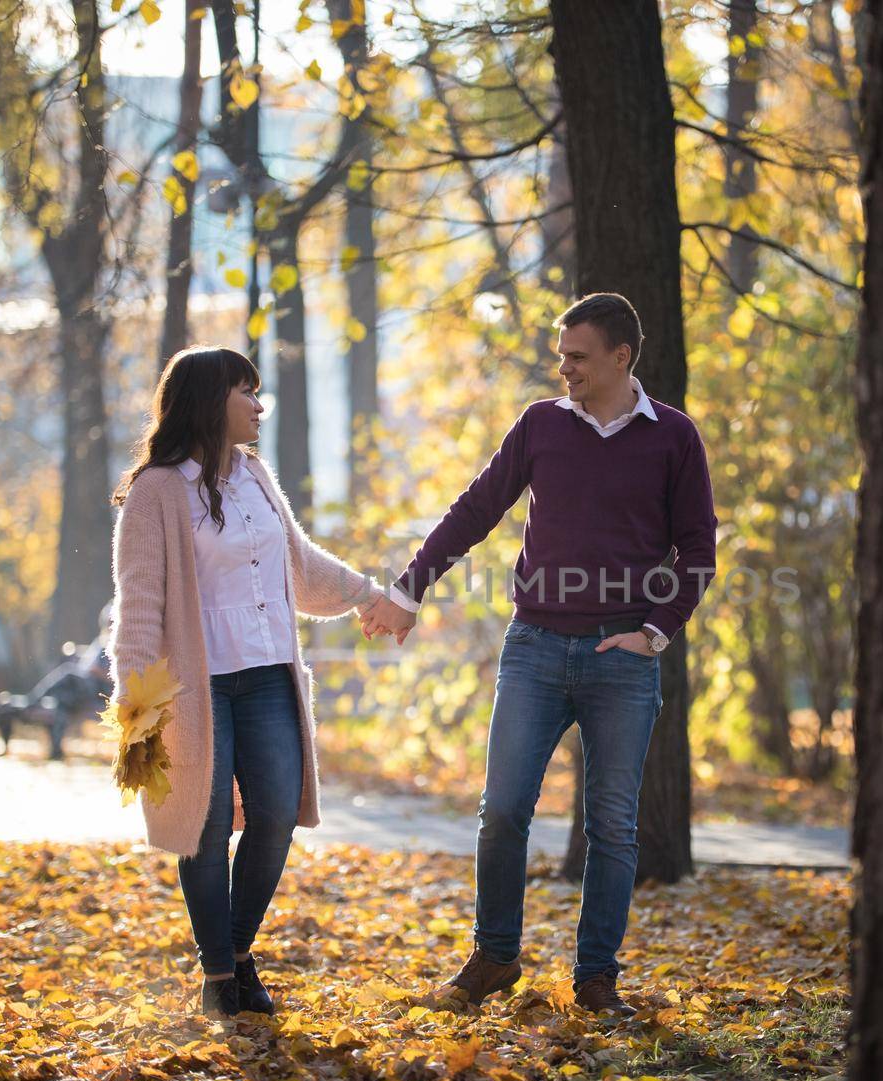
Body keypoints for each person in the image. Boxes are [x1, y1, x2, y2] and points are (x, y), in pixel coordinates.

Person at [361, 292, 718, 1017]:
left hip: (623, 658)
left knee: (613, 827)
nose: (565, 369)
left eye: (578, 357)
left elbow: (699, 548)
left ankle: (597, 980)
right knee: (503, 813)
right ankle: (494, 958)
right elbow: (476, 508)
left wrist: (654, 632)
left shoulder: (674, 438)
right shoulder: (541, 426)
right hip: (534, 649)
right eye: (561, 356)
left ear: (622, 358)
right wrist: (410, 588)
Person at [110, 346, 390, 1018]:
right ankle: (218, 978)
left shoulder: (256, 476)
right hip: (198, 690)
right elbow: (140, 603)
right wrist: (136, 711)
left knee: (275, 815)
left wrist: (365, 594)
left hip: (267, 678)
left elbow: (297, 562)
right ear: (213, 401)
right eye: (247, 392)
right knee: (204, 832)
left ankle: (234, 953)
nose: (260, 405)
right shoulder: (157, 491)